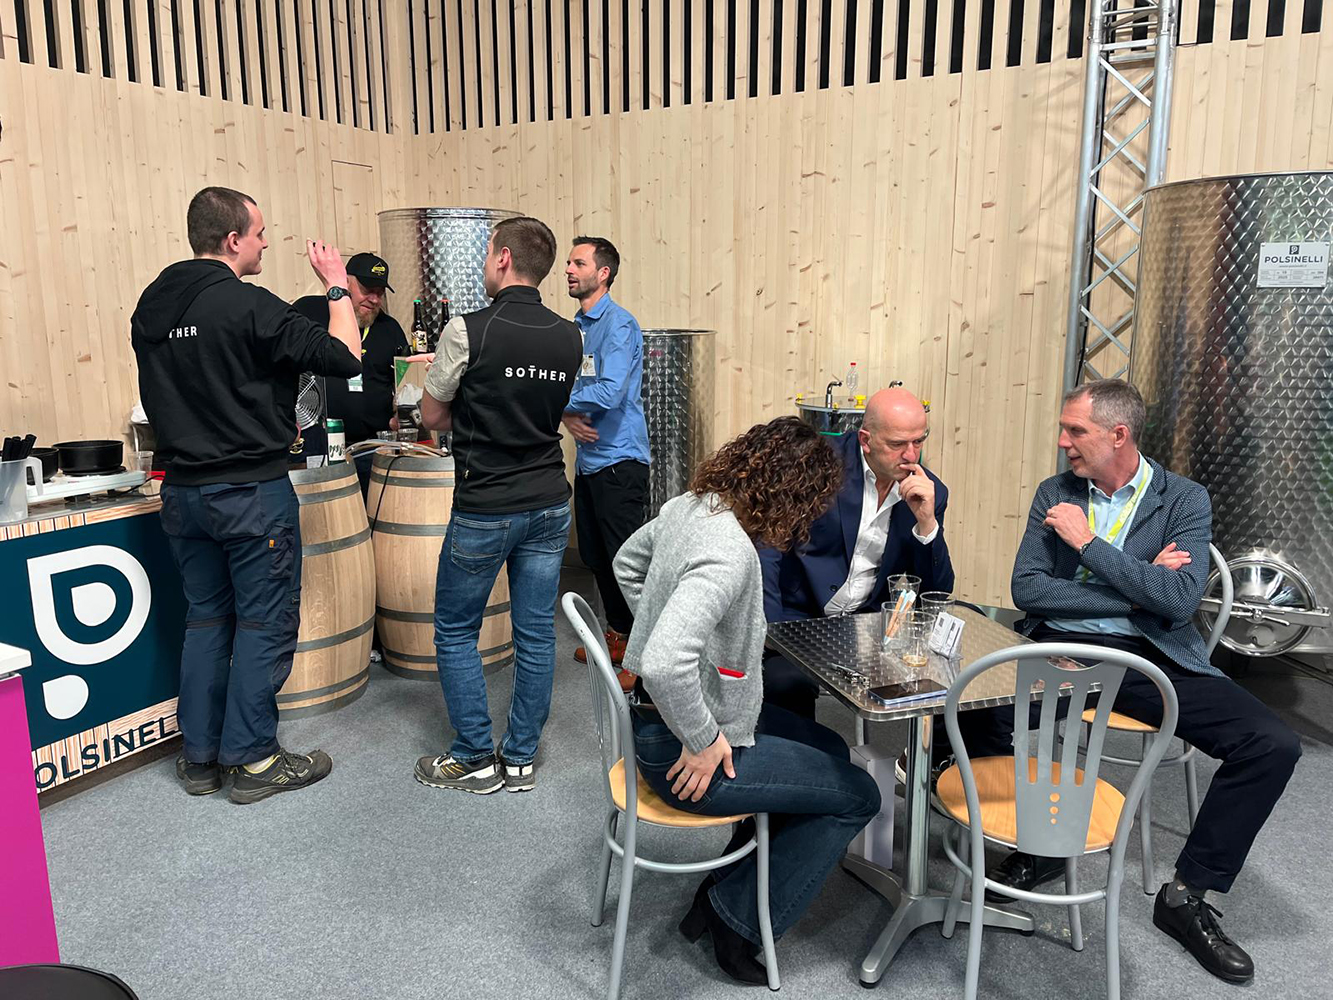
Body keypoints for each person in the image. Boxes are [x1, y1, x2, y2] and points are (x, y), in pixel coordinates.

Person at [967, 378, 1300, 985]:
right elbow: (1029, 589)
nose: (1063, 442)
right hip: (1063, 650)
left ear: (1118, 434)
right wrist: (1138, 583)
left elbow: (1178, 602)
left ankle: (1186, 896)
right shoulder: (1056, 492)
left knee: (1271, 743)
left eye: (1076, 431)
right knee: (969, 705)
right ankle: (1038, 844)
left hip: (1152, 654)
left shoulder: (1183, 499)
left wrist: (1088, 544)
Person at [614, 416, 881, 985]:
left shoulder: (691, 506)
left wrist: (676, 634)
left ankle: (732, 883)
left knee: (831, 748)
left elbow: (626, 564)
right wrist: (702, 738)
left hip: (660, 719)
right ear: (795, 498)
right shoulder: (729, 553)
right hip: (680, 752)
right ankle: (734, 917)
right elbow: (662, 662)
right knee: (859, 795)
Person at [131, 186, 362, 804]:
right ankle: (255, 759)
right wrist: (335, 286)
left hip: (183, 493)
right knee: (263, 622)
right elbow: (345, 356)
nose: (264, 243)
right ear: (233, 240)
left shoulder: (151, 305)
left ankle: (201, 757)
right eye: (259, 234)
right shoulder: (248, 305)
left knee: (207, 620)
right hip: (249, 494)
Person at [413, 217, 582, 795]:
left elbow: (432, 415)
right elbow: (548, 408)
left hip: (485, 505)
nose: (487, 264)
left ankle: (473, 758)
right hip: (550, 503)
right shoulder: (570, 335)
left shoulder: (469, 330)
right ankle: (520, 758)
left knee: (455, 630)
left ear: (503, 257)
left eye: (489, 254)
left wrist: (472, 413)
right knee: (536, 633)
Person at [757, 387, 954, 718]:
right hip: (799, 615)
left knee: (949, 669)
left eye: (919, 441)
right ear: (866, 440)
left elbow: (936, 593)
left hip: (867, 625)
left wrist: (926, 523)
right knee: (785, 683)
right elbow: (767, 547)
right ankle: (800, 751)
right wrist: (772, 630)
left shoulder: (930, 491)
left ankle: (930, 752)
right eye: (897, 444)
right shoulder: (816, 464)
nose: (911, 455)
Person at [560, 237, 651, 672]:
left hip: (620, 462)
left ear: (603, 273)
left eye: (579, 263)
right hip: (590, 462)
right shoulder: (576, 327)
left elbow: (611, 391)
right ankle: (619, 637)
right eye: (568, 262)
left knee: (625, 562)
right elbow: (573, 386)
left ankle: (643, 657)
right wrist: (565, 411)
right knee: (596, 556)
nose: (569, 270)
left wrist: (559, 405)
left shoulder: (618, 325)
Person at [292, 252, 409, 496]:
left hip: (372, 449)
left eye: (380, 292)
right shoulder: (308, 311)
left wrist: (401, 414)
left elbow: (404, 384)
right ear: (345, 282)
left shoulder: (390, 329)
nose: (374, 299)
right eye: (367, 289)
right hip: (317, 448)